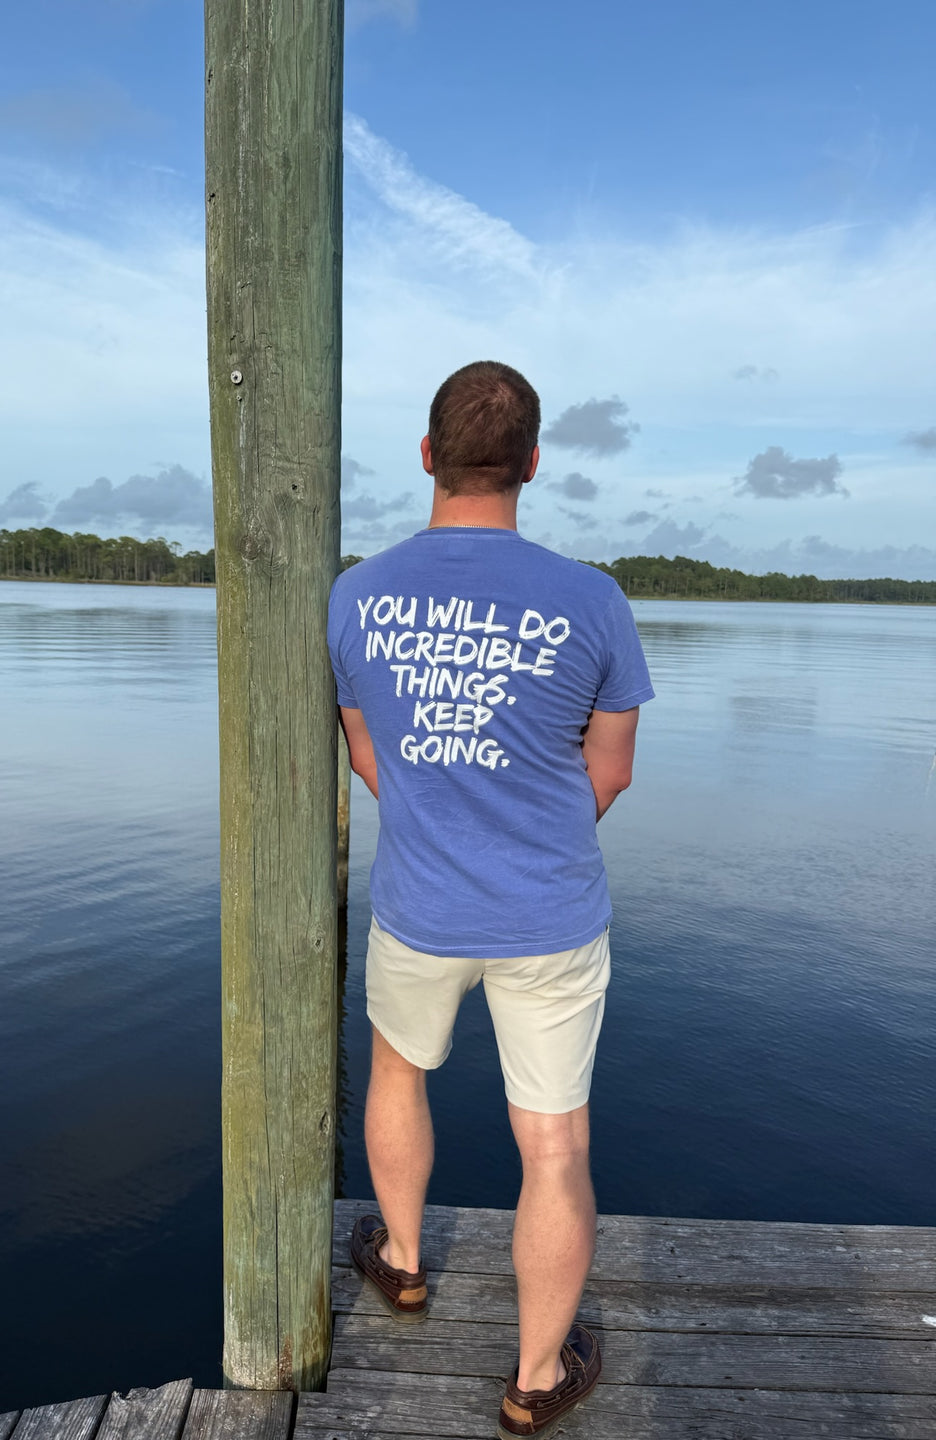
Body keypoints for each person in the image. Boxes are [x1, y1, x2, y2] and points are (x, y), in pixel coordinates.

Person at [326, 360, 654, 1438]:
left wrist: (444, 825)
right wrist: (528, 837)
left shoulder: (357, 596)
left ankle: (404, 1261)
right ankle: (535, 1378)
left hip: (418, 905)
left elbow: (368, 751)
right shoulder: (594, 600)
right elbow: (611, 771)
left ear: (428, 455)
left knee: (397, 1071)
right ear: (533, 464)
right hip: (550, 916)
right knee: (554, 1146)